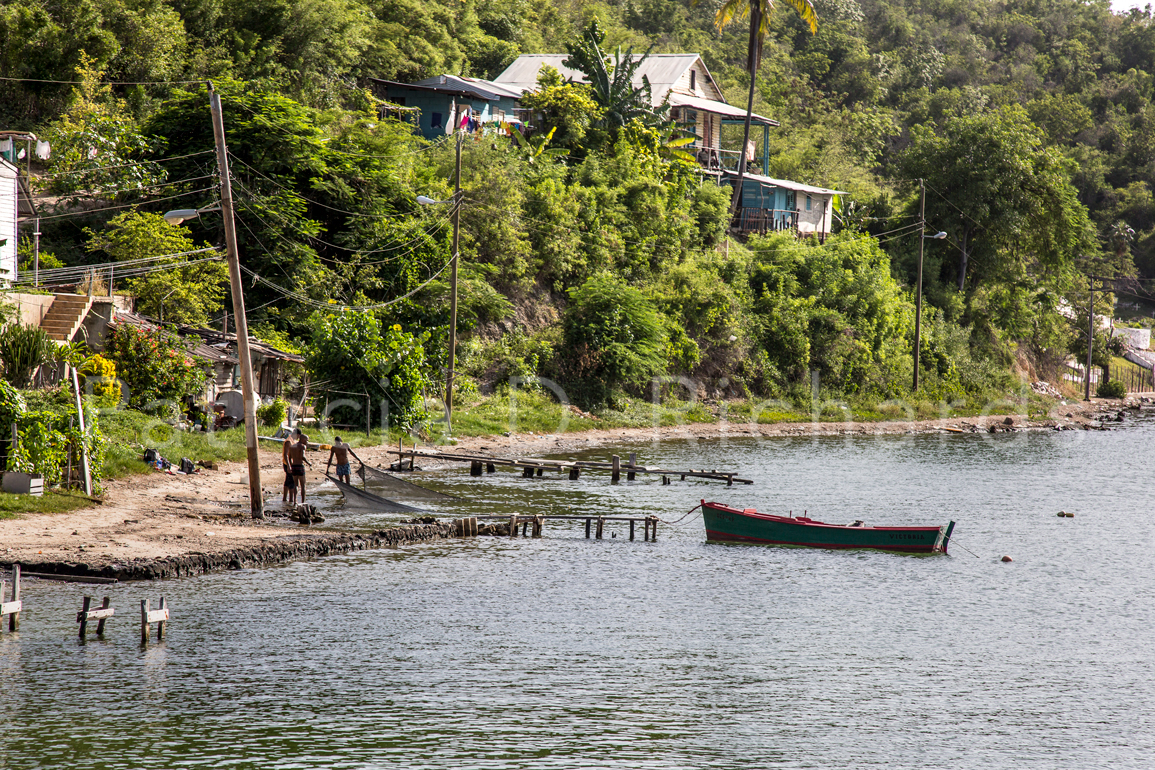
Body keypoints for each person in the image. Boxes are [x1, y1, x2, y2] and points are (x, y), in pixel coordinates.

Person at [286, 431, 312, 502]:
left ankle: (295, 501)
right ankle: (303, 502)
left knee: (296, 484)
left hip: (294, 466)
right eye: (307, 440)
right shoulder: (303, 446)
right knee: (303, 485)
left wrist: (290, 466)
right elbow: (303, 456)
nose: (307, 442)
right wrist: (309, 463)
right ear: (303, 440)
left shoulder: (292, 446)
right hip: (300, 466)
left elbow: (289, 457)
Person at [282, 429, 299, 504]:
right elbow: (286, 454)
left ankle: (285, 499)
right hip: (288, 464)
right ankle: (291, 500)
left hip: (290, 463)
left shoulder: (292, 441)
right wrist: (289, 466)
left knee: (287, 481)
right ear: (297, 435)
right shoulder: (289, 441)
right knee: (292, 482)